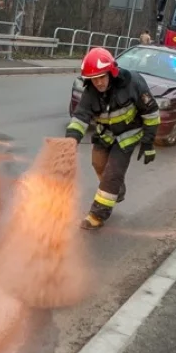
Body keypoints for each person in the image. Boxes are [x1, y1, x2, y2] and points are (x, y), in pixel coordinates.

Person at [65, 47, 161, 230]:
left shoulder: (133, 83)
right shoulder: (91, 92)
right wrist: (71, 140)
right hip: (106, 134)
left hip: (129, 134)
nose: (98, 82)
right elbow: (80, 118)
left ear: (111, 72)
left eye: (102, 77)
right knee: (98, 163)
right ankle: (118, 188)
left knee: (112, 173)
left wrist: (148, 143)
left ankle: (97, 215)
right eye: (94, 79)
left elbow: (152, 114)